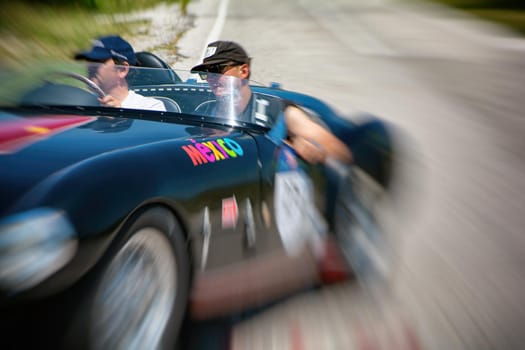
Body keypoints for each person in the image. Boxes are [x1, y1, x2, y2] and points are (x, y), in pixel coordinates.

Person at [191, 41, 351, 165]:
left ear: (244, 71)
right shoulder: (205, 111)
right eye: (206, 73)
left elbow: (340, 152)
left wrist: (309, 149)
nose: (211, 79)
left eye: (217, 70)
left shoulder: (276, 111)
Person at [74, 35, 166, 111]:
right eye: (88, 61)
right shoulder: (81, 103)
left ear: (122, 70)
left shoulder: (151, 108)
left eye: (98, 62)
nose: (90, 66)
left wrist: (120, 115)